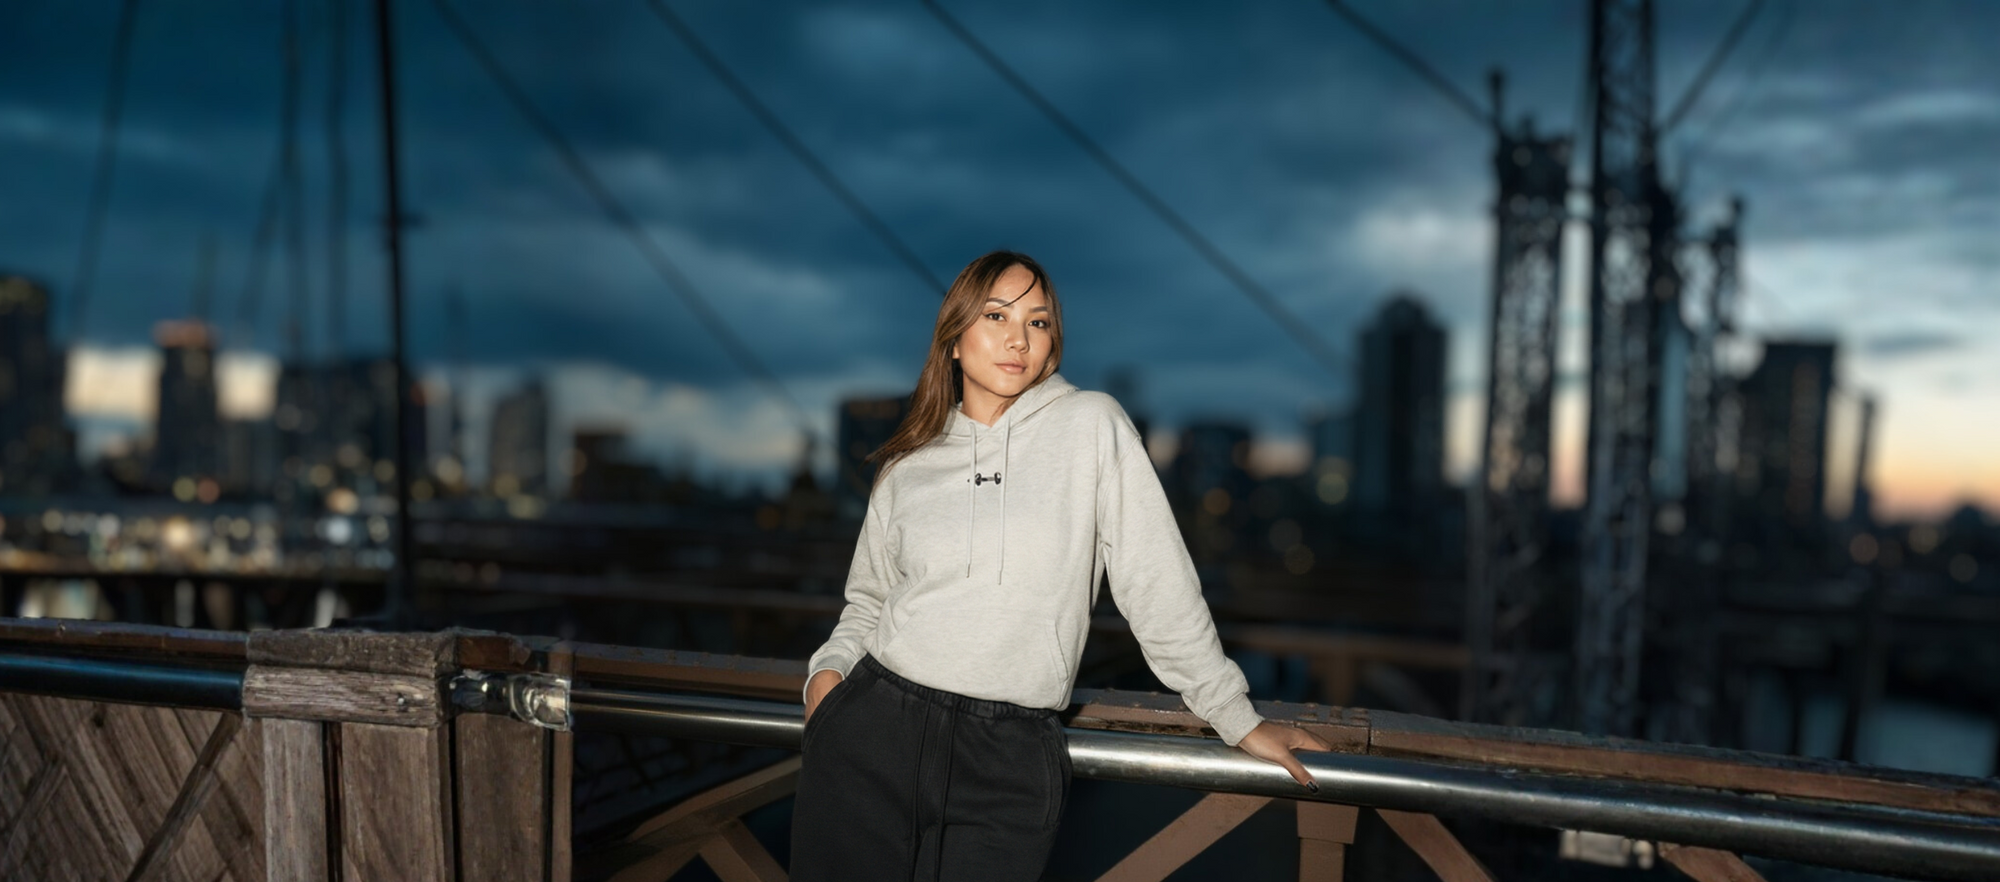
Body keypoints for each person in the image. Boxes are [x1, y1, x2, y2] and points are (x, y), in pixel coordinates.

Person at [791, 250, 1330, 881]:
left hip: (1011, 755)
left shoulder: (1092, 425)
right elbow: (869, 600)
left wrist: (1236, 717)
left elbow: (1155, 581)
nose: (1018, 338)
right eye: (996, 315)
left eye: (1038, 322)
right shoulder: (907, 463)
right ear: (954, 340)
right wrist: (826, 676)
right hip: (874, 731)